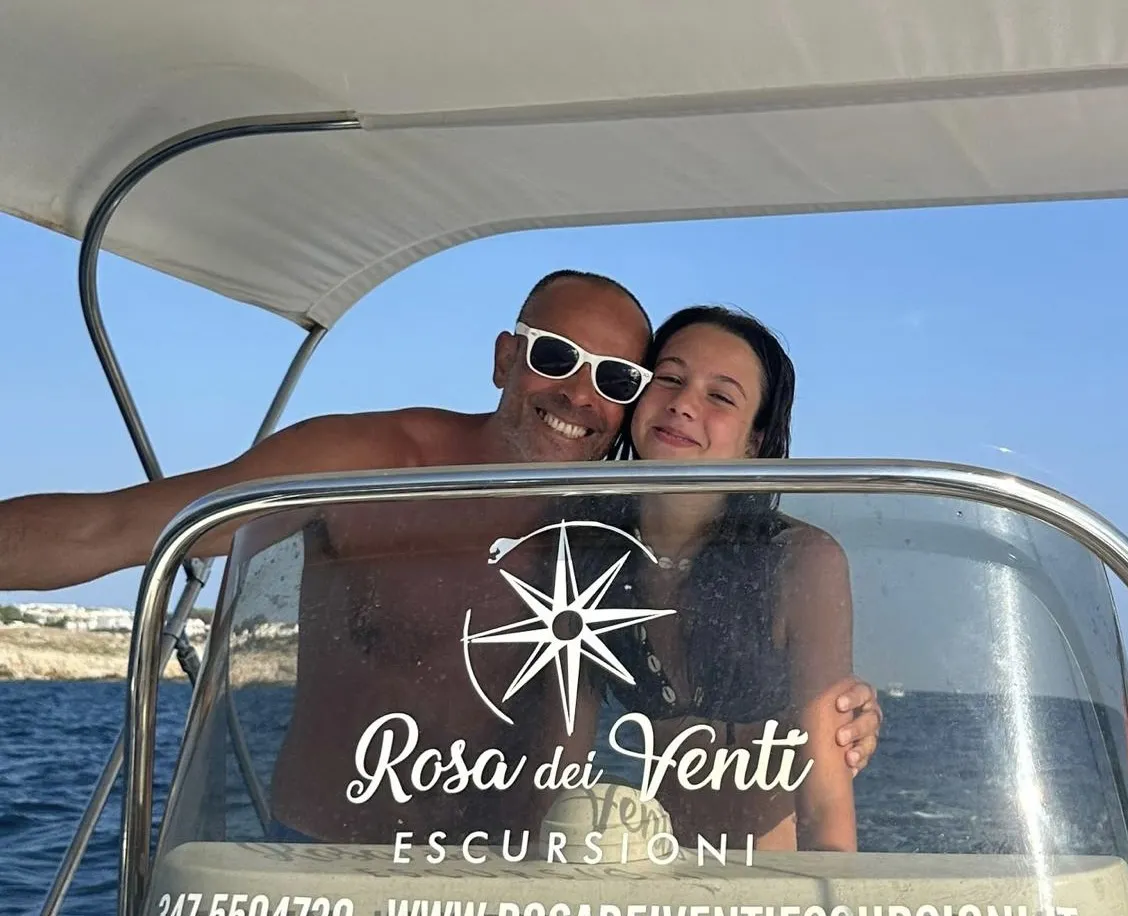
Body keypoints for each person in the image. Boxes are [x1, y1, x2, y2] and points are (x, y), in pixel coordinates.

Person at [0, 269, 880, 845]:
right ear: (505, 357)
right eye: (554, 357)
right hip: (316, 865)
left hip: (501, 882)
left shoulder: (610, 534)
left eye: (616, 378)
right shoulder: (369, 464)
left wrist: (843, 722)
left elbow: (717, 688)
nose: (580, 394)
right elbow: (114, 527)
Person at [560, 305, 856, 852]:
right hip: (648, 871)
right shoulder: (590, 550)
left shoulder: (801, 561)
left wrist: (832, 889)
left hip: (774, 880)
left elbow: (826, 802)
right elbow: (560, 766)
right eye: (669, 378)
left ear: (754, 441)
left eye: (720, 396)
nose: (682, 404)